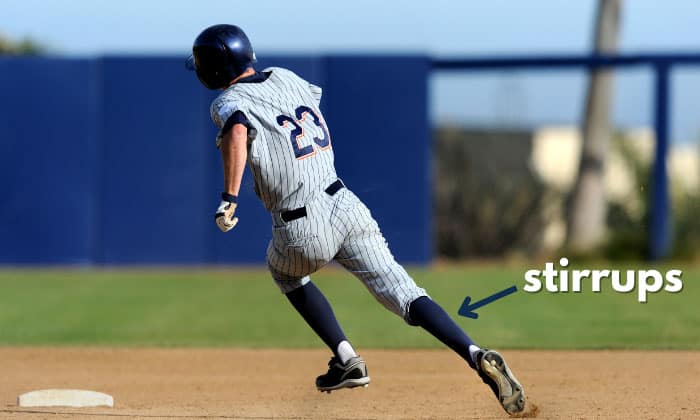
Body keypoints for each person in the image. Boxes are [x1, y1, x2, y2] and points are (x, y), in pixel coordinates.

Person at [186, 24, 526, 415]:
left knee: (285, 273)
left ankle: (346, 357)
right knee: (405, 291)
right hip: (346, 204)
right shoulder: (286, 77)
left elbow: (238, 129)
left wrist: (229, 197)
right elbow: (302, 108)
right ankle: (474, 352)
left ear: (212, 67)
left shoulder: (227, 102)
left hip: (301, 225)